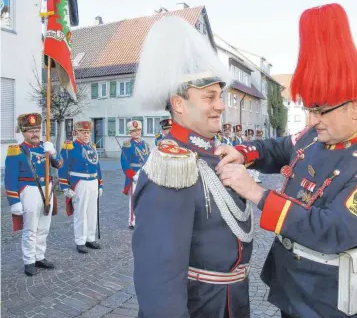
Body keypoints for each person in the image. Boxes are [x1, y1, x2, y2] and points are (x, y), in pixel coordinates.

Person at [214, 3, 357, 318]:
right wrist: (243, 151)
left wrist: (257, 194)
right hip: (289, 282)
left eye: (320, 110)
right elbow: (278, 148)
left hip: (328, 297)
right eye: (309, 108)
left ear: (355, 109)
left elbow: (333, 231)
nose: (311, 119)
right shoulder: (312, 135)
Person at [131, 16, 253, 318]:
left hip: (231, 304)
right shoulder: (171, 167)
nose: (221, 105)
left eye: (220, 96)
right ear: (180, 103)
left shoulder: (214, 154)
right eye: (210, 97)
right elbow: (159, 277)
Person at [4, 113, 62, 276]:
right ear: (23, 132)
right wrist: (14, 201)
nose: (35, 133)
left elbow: (59, 165)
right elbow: (9, 178)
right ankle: (29, 260)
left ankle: (39, 256)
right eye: (30, 130)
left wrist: (54, 154)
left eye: (37, 129)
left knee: (44, 227)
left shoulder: (45, 147)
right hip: (29, 191)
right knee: (30, 228)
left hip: (47, 190)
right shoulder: (16, 150)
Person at [59, 121, 103, 254]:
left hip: (93, 181)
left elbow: (97, 166)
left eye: (88, 132)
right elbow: (63, 167)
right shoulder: (69, 147)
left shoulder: (92, 147)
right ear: (76, 132)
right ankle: (80, 241)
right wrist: (65, 186)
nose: (86, 135)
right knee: (80, 213)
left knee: (92, 212)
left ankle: (90, 238)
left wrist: (100, 183)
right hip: (80, 182)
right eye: (83, 132)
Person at [120, 120, 150, 229]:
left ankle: (143, 219)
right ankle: (132, 221)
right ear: (130, 132)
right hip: (135, 175)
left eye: (138, 130)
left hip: (145, 173)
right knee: (134, 199)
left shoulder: (145, 144)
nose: (137, 132)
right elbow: (124, 162)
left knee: (145, 198)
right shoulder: (128, 145)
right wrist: (132, 175)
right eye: (134, 131)